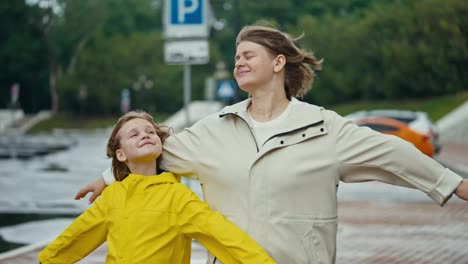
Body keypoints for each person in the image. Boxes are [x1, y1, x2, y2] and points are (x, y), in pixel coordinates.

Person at [75, 25, 468, 264]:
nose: (238, 63)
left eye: (248, 55)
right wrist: (108, 176)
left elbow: (392, 154)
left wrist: (451, 183)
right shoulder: (214, 129)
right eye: (235, 58)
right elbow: (153, 151)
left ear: (279, 63)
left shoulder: (323, 126)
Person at [39, 111, 276, 264]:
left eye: (150, 132)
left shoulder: (177, 197)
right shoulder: (113, 196)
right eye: (134, 134)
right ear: (121, 154)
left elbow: (223, 236)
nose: (145, 135)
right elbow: (79, 235)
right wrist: (47, 260)